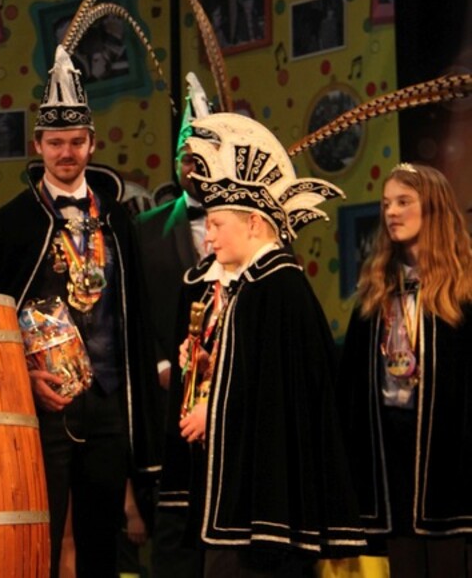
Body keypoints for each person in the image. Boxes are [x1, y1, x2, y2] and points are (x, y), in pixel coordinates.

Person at [0, 45, 160, 577]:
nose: (66, 153)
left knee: (103, 539)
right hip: (43, 404)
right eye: (56, 142)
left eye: (76, 142)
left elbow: (136, 309)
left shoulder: (117, 217)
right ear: (37, 145)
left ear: (92, 143)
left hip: (107, 399)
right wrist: (23, 377)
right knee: (40, 531)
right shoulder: (11, 223)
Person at [177, 112, 364, 576]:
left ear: (255, 223)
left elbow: (278, 397)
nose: (209, 236)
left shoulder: (277, 287)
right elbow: (251, 372)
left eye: (217, 223)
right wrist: (210, 365)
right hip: (245, 501)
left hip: (264, 514)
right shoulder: (254, 286)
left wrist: (214, 411)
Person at [337, 163, 472, 577]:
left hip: (450, 457)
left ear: (433, 208)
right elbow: (352, 386)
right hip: (391, 453)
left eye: (403, 202)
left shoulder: (463, 288)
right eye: (386, 204)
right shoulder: (377, 288)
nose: (391, 212)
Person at [134, 75, 216, 578]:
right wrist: (162, 364)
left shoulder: (253, 230)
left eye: (204, 158)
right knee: (174, 530)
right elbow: (136, 310)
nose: (193, 167)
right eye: (186, 157)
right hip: (168, 405)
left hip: (228, 406)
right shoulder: (146, 229)